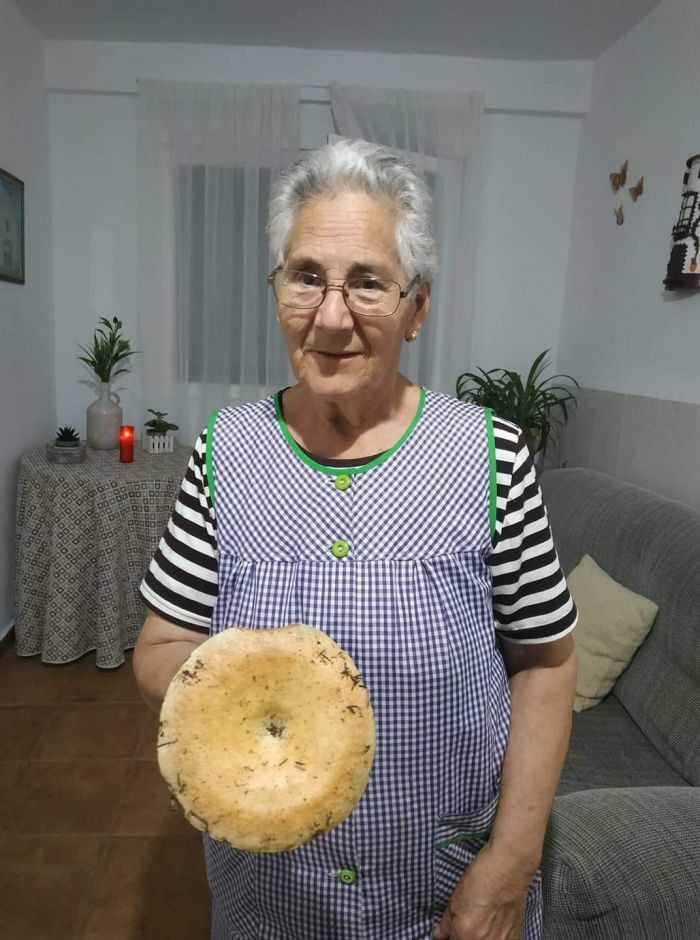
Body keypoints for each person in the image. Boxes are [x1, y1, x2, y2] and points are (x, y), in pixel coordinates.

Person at [133, 138, 578, 940]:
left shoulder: (492, 455)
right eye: (307, 276)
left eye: (367, 282)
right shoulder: (224, 450)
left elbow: (546, 665)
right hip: (272, 895)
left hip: (442, 891)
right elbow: (160, 646)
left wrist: (508, 865)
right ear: (277, 291)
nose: (331, 316)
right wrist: (252, 681)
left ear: (419, 304)